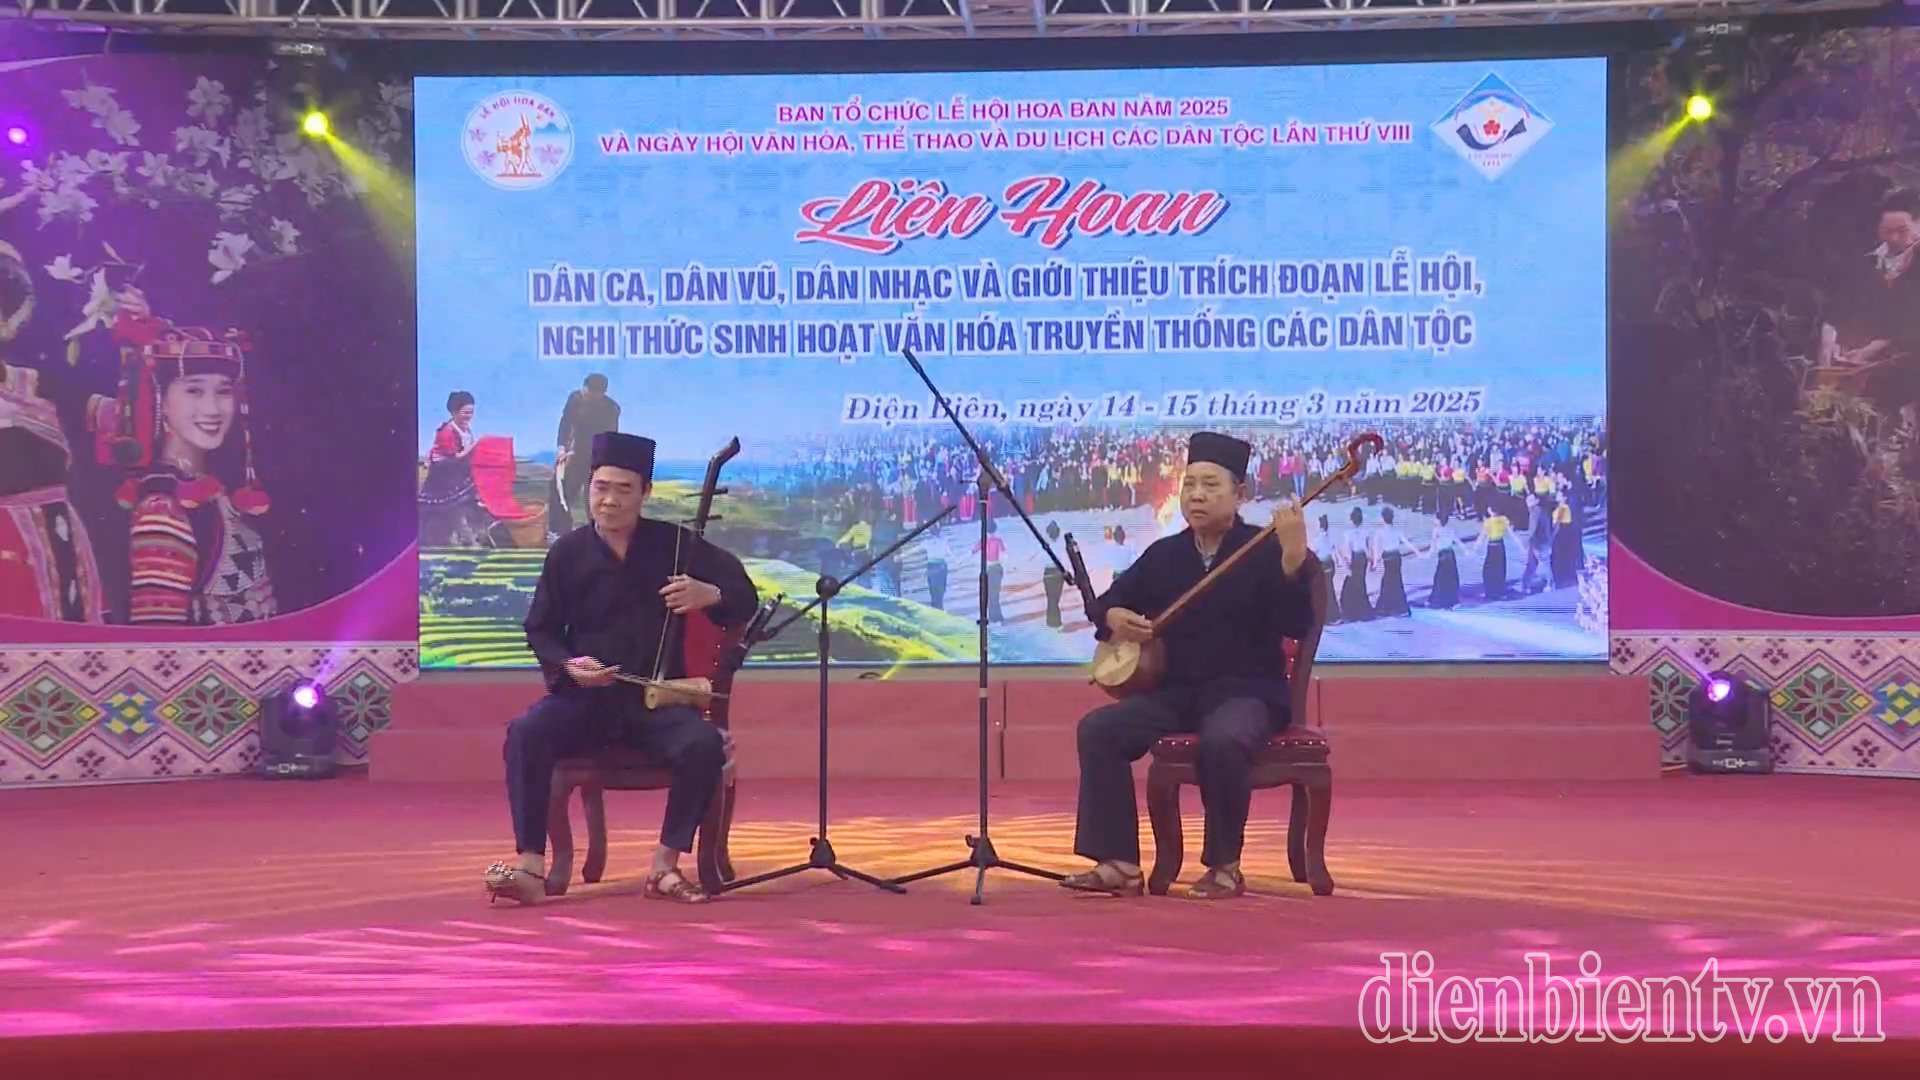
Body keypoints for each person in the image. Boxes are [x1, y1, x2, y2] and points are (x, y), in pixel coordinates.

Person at [485, 431, 759, 907]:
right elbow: (541, 630)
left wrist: (708, 594)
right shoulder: (567, 553)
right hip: (587, 699)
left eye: (623, 490)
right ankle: (531, 864)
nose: (609, 501)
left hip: (655, 701)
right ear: (588, 487)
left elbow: (745, 596)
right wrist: (571, 665)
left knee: (701, 745)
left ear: (646, 492)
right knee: (526, 732)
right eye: (600, 487)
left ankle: (664, 867)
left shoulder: (675, 546)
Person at [1065, 432, 1317, 901]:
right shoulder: (1166, 555)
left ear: (1241, 494)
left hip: (1249, 691)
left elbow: (1296, 623)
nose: (1197, 495)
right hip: (1179, 694)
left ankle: (1224, 865)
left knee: (1223, 738)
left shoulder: (1263, 548)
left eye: (1210, 485)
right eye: (1190, 485)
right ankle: (1118, 861)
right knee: (1099, 729)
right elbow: (1108, 606)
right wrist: (1114, 616)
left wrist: (1292, 560)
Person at [554, 373, 621, 528]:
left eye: (590, 392)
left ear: (600, 394)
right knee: (563, 493)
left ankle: (597, 529)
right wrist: (562, 448)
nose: (585, 394)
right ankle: (560, 530)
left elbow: (609, 438)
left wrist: (601, 463)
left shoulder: (611, 409)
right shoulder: (575, 399)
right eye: (585, 389)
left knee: (593, 497)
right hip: (573, 454)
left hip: (596, 457)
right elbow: (566, 423)